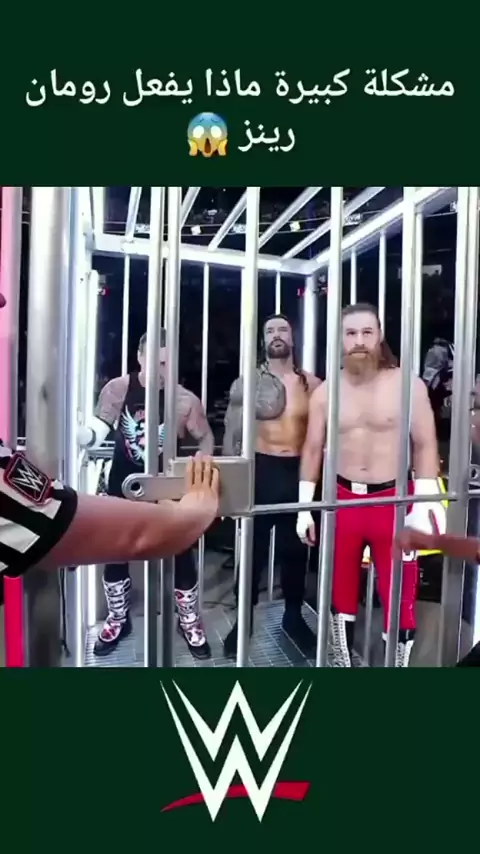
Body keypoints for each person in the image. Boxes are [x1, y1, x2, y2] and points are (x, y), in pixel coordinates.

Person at [297, 302, 446, 668]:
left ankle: (395, 671)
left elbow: (425, 443)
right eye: (351, 333)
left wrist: (427, 502)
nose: (359, 341)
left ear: (380, 336)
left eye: (367, 332)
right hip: (342, 500)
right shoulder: (325, 392)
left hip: (393, 501)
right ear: (340, 339)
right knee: (340, 590)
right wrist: (304, 506)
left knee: (399, 595)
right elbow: (313, 447)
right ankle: (343, 665)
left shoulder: (407, 385)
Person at [78, 330, 214, 659]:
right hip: (123, 484)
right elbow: (100, 425)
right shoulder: (118, 389)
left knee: (182, 550)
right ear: (139, 357)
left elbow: (206, 437)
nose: (159, 368)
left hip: (167, 488)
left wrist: (202, 461)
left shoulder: (184, 400)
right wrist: (86, 435)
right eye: (153, 360)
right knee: (115, 551)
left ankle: (188, 620)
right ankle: (117, 618)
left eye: (166, 362)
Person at [221, 313, 321, 658]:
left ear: (292, 338)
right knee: (252, 551)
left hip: (298, 472)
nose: (276, 335)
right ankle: (243, 621)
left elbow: (323, 437)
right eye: (270, 331)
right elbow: (232, 432)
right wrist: (228, 486)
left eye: (283, 329)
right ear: (263, 340)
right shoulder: (248, 382)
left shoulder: (312, 384)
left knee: (296, 550)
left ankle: (293, 616)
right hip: (261, 470)